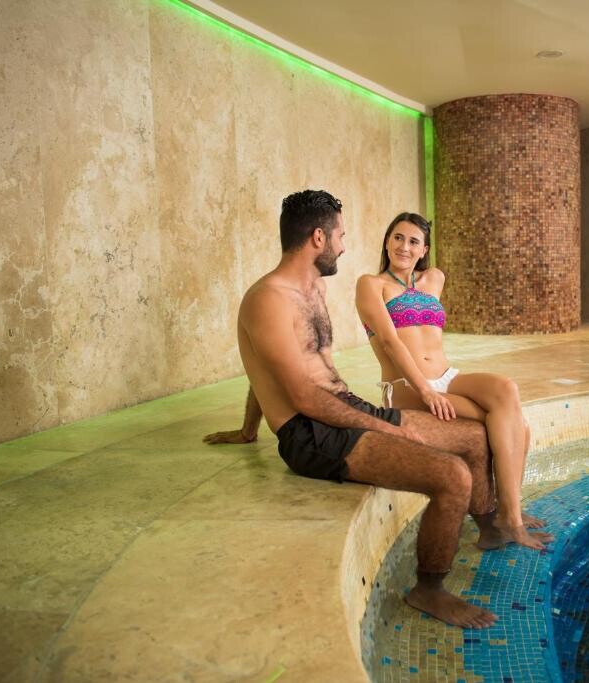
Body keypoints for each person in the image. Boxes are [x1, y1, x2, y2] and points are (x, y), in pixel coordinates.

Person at [203, 190, 500, 629]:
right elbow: (303, 397)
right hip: (310, 433)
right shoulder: (268, 299)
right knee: (451, 475)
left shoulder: (313, 288)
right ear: (318, 238)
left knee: (474, 437)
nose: (344, 245)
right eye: (340, 235)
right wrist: (388, 428)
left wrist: (248, 429)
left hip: (342, 407)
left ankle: (490, 525)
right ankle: (429, 589)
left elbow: (275, 365)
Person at [355, 212, 552, 551]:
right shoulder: (371, 284)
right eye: (398, 237)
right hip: (405, 385)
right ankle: (509, 518)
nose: (404, 247)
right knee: (513, 425)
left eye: (413, 241)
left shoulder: (435, 279)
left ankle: (509, 513)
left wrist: (438, 386)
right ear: (387, 241)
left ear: (424, 250)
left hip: (446, 375)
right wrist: (426, 390)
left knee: (506, 390)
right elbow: (390, 342)